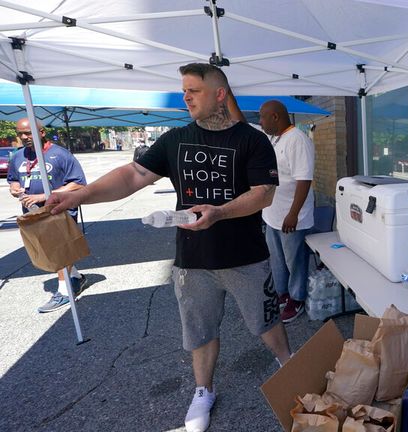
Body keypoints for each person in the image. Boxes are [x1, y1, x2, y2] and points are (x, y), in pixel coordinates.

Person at [47, 63, 292, 432]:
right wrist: (80, 196)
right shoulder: (175, 139)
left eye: (193, 89)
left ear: (220, 94)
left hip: (247, 257)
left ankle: (288, 364)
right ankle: (203, 390)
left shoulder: (252, 140)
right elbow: (132, 176)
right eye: (184, 90)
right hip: (193, 261)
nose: (186, 96)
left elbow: (264, 194)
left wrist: (220, 212)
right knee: (199, 330)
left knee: (266, 321)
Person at [7, 118, 90, 313]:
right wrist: (15, 188)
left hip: (57, 211)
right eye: (20, 134)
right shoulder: (18, 157)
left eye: (29, 133)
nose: (24, 137)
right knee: (47, 249)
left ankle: (64, 292)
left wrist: (46, 195)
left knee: (58, 250)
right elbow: (13, 180)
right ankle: (76, 277)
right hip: (33, 214)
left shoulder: (59, 154)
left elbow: (78, 183)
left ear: (42, 132)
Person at [259, 100, 315, 323]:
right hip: (272, 214)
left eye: (263, 117)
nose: (260, 122)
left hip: (292, 217)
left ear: (275, 117)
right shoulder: (276, 138)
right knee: (277, 259)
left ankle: (297, 298)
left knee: (295, 261)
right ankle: (282, 293)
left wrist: (293, 213)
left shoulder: (298, 140)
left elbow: (304, 180)